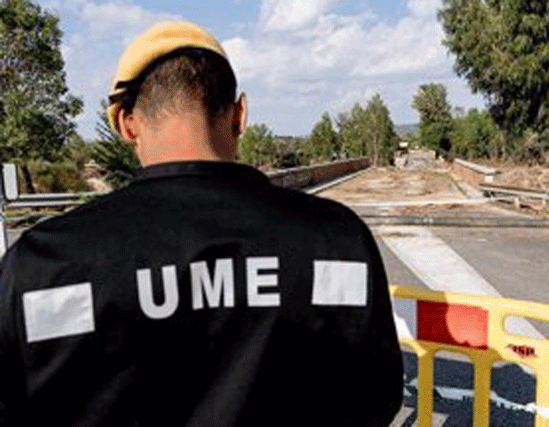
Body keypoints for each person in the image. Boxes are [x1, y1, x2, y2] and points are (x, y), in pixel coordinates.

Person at [0, 21, 402, 426]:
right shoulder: (336, 240)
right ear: (240, 115)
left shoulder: (43, 264)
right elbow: (377, 398)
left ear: (126, 124)